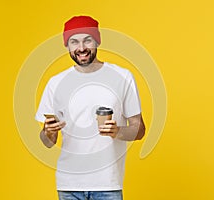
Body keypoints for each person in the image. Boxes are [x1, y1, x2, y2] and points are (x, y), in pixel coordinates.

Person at [35, 15, 146, 200]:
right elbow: (47, 142)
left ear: (97, 41)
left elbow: (139, 130)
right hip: (69, 185)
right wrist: (48, 132)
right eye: (74, 42)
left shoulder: (122, 76)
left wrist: (117, 131)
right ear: (67, 45)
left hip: (107, 184)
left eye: (87, 40)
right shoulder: (56, 83)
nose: (81, 48)